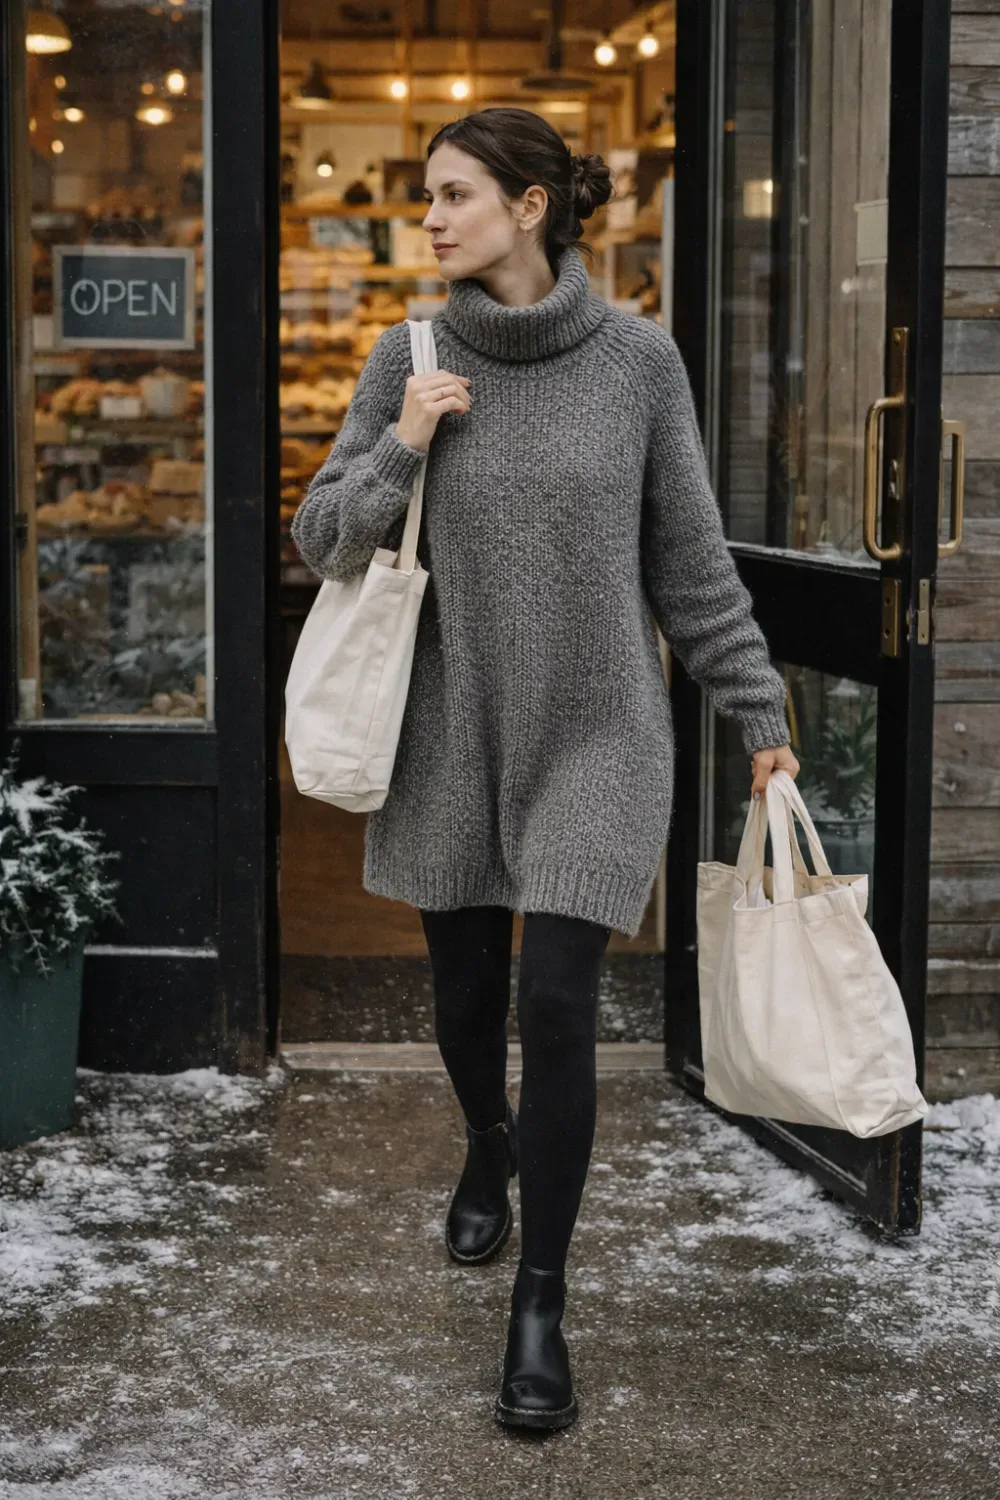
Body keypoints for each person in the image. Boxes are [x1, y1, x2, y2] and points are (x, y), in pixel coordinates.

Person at [290, 106, 800, 1433]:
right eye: (427, 197)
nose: (433, 219)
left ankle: (541, 1301)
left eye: (456, 194)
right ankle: (487, 1140)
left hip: (597, 730)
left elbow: (688, 564)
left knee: (560, 1005)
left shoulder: (638, 364)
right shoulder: (409, 352)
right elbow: (319, 541)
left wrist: (758, 714)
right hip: (450, 735)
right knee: (467, 1004)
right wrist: (404, 439)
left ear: (530, 206)